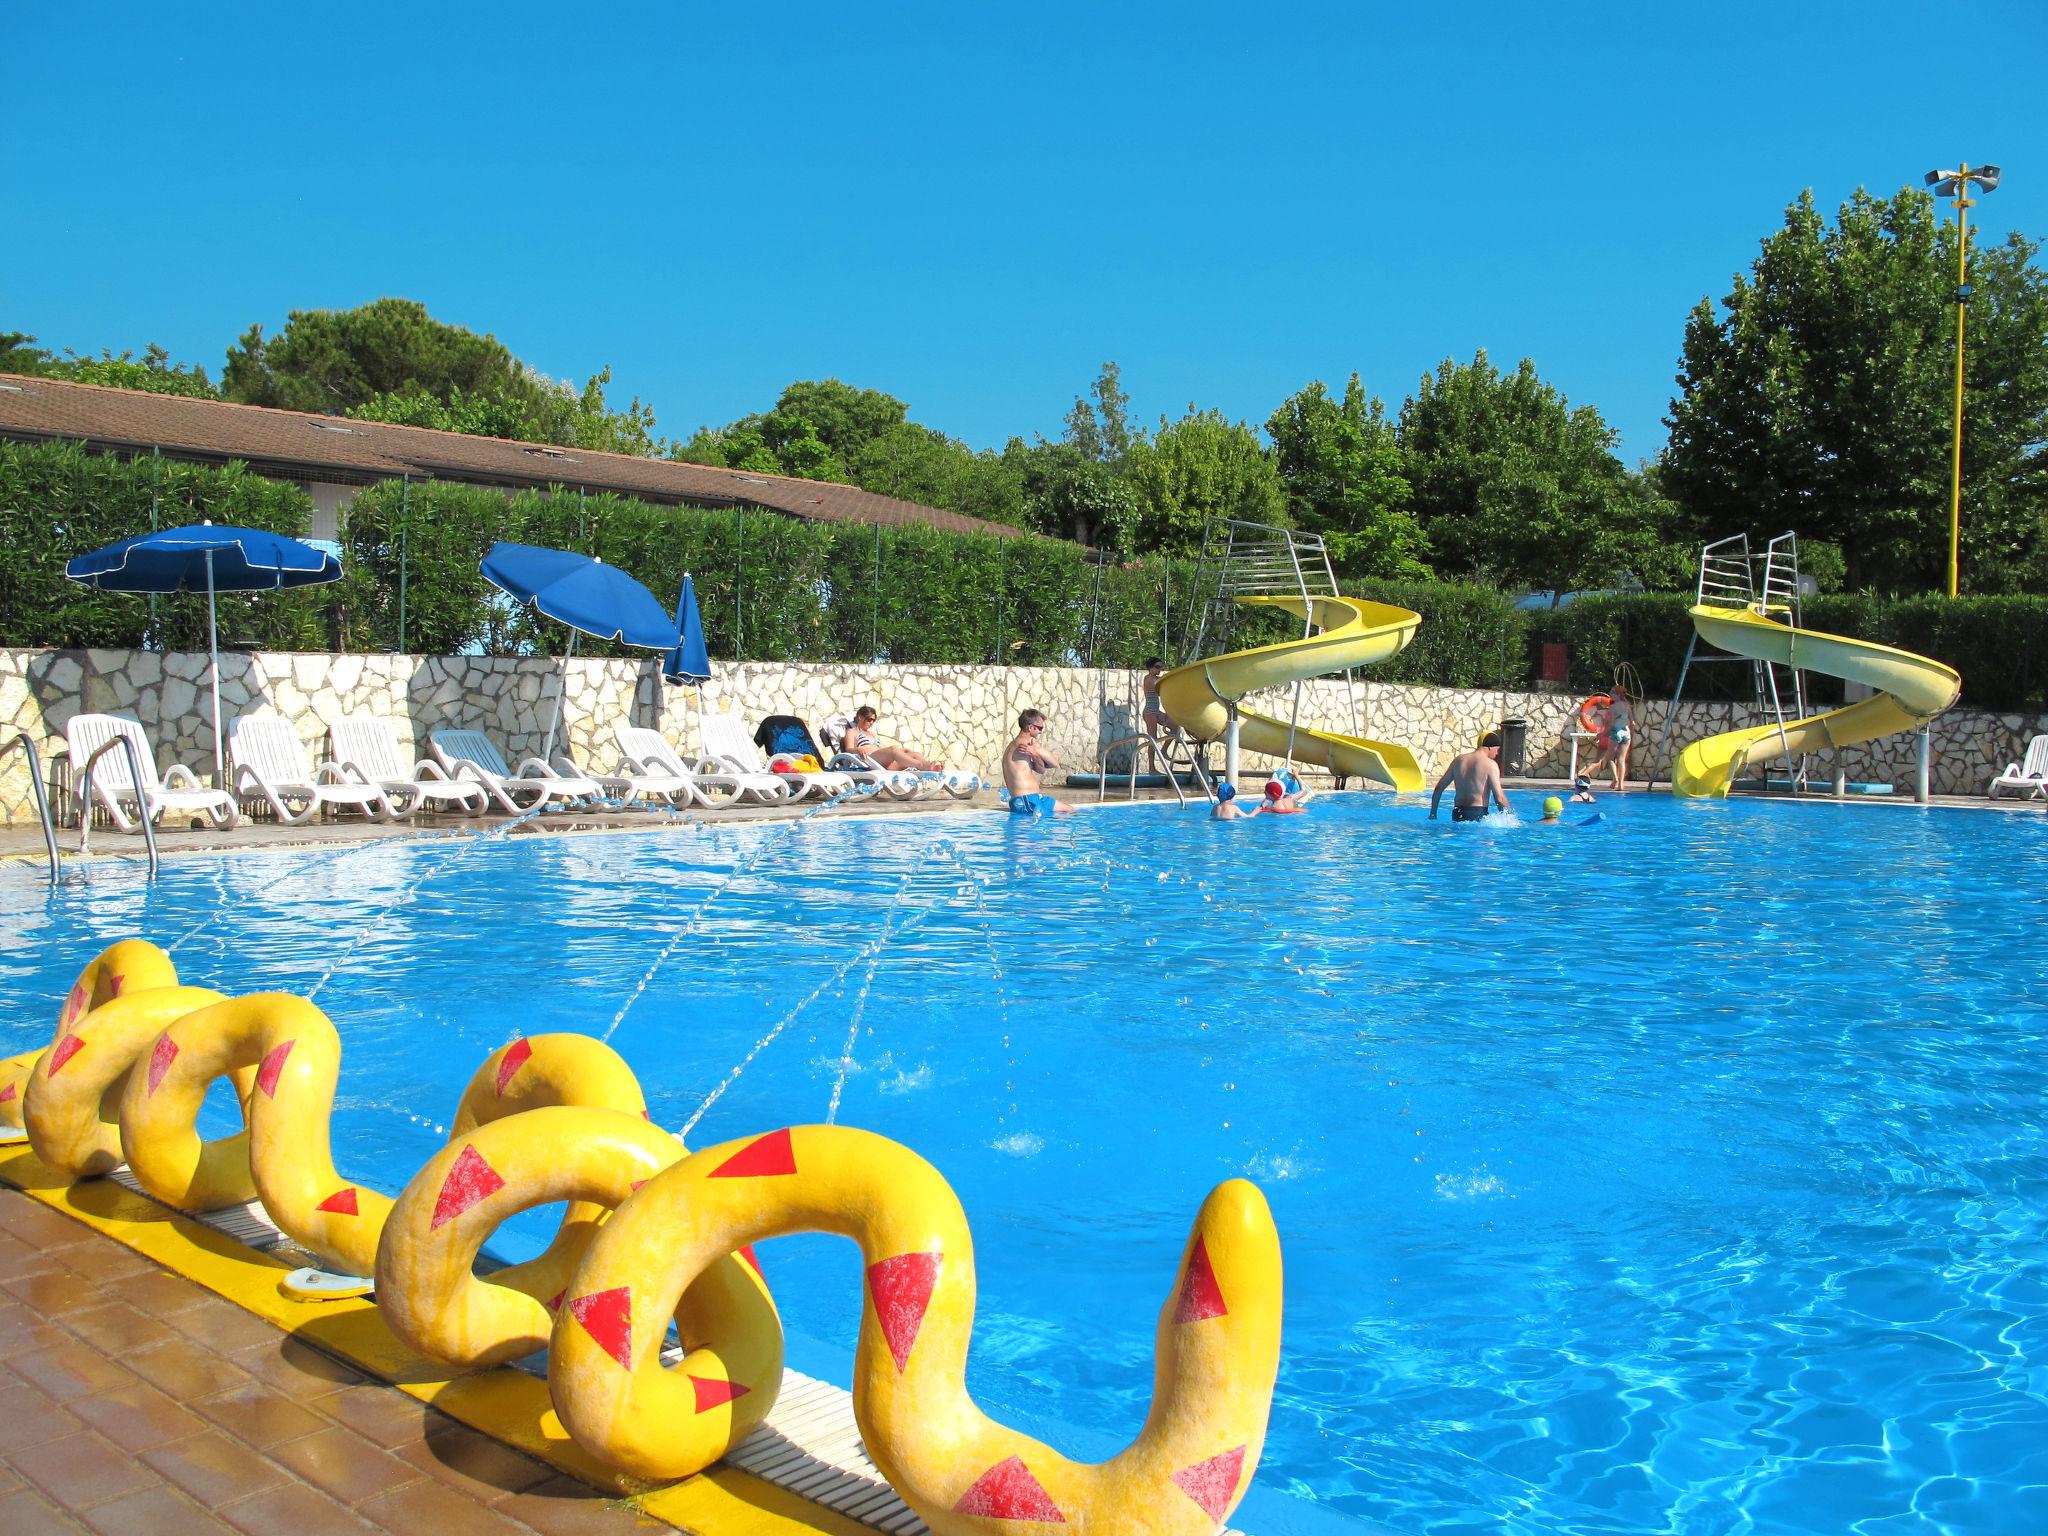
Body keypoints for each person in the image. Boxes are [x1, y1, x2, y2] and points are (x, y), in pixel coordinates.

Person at [1003, 708, 1074, 816]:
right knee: (1064, 816)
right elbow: (1055, 763)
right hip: (1027, 801)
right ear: (1030, 727)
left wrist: (1035, 755)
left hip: (1029, 800)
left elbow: (1041, 769)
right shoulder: (1025, 744)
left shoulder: (1015, 746)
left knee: (1068, 811)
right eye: (1040, 728)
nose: (1041, 732)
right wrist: (1036, 749)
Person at [1429, 731, 1511, 822]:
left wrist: (1433, 814)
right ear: (1490, 747)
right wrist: (1508, 819)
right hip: (1477, 815)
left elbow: (1438, 788)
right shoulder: (1490, 765)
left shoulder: (1458, 760)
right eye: (1497, 749)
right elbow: (1499, 798)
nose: (1497, 754)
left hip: (1457, 813)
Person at [844, 706, 943, 772]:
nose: (871, 723)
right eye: (869, 719)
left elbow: (885, 749)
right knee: (893, 750)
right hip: (869, 760)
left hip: (883, 762)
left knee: (912, 753)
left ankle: (931, 767)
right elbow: (848, 750)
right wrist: (859, 749)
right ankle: (922, 765)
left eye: (873, 720)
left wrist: (903, 751)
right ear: (860, 717)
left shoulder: (872, 734)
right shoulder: (852, 731)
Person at [1141, 658, 1170, 740]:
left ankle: (1163, 751)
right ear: (1150, 667)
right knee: (1153, 739)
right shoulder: (1148, 679)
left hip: (1156, 711)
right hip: (1150, 712)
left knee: (1175, 728)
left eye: (1161, 667)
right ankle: (1153, 753)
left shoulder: (1157, 679)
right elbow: (1161, 690)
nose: (1160, 669)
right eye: (1157, 667)